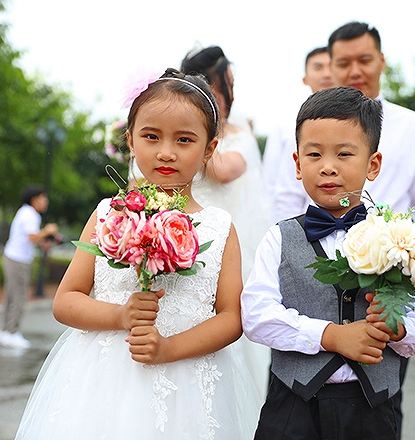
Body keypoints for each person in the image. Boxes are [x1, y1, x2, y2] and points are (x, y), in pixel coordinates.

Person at [14, 69, 261, 439]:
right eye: (151, 136)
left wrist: (168, 349)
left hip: (190, 383)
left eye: (184, 140)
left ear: (210, 148)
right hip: (103, 382)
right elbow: (66, 301)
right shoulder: (107, 214)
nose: (166, 151)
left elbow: (230, 317)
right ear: (130, 141)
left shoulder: (220, 227)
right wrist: (121, 314)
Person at [241, 86, 415, 439]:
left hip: (372, 409)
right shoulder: (279, 238)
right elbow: (256, 315)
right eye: (314, 154)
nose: (328, 167)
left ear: (373, 164)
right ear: (297, 165)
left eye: (345, 154)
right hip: (292, 405)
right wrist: (330, 335)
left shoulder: (402, 239)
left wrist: (398, 328)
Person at [274, 22, 415, 230]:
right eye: (344, 63)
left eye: (364, 61)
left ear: (382, 61)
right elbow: (287, 199)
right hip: (316, 248)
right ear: (331, 66)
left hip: (393, 255)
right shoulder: (308, 125)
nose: (355, 72)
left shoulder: (413, 127)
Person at [181, 45, 272, 397]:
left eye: (227, 86)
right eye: (220, 85)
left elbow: (222, 171)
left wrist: (187, 136)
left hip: (224, 253)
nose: (224, 94)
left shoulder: (240, 137)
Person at [180, 45, 270, 281]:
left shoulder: (240, 137)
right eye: (226, 84)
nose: (232, 94)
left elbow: (223, 171)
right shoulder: (171, 140)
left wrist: (192, 136)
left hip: (229, 247)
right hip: (180, 240)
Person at [263, 46, 333, 217]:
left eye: (332, 66)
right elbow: (272, 183)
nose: (327, 74)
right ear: (305, 79)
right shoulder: (286, 125)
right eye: (318, 67)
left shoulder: (357, 123)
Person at [0, 185, 58, 350]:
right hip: (18, 261)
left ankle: (4, 331)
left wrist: (42, 242)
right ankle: (12, 332)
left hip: (12, 257)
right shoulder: (30, 214)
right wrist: (48, 230)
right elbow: (32, 236)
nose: (46, 201)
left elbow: (32, 238)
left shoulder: (25, 213)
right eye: (43, 197)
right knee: (19, 297)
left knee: (11, 296)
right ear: (34, 199)